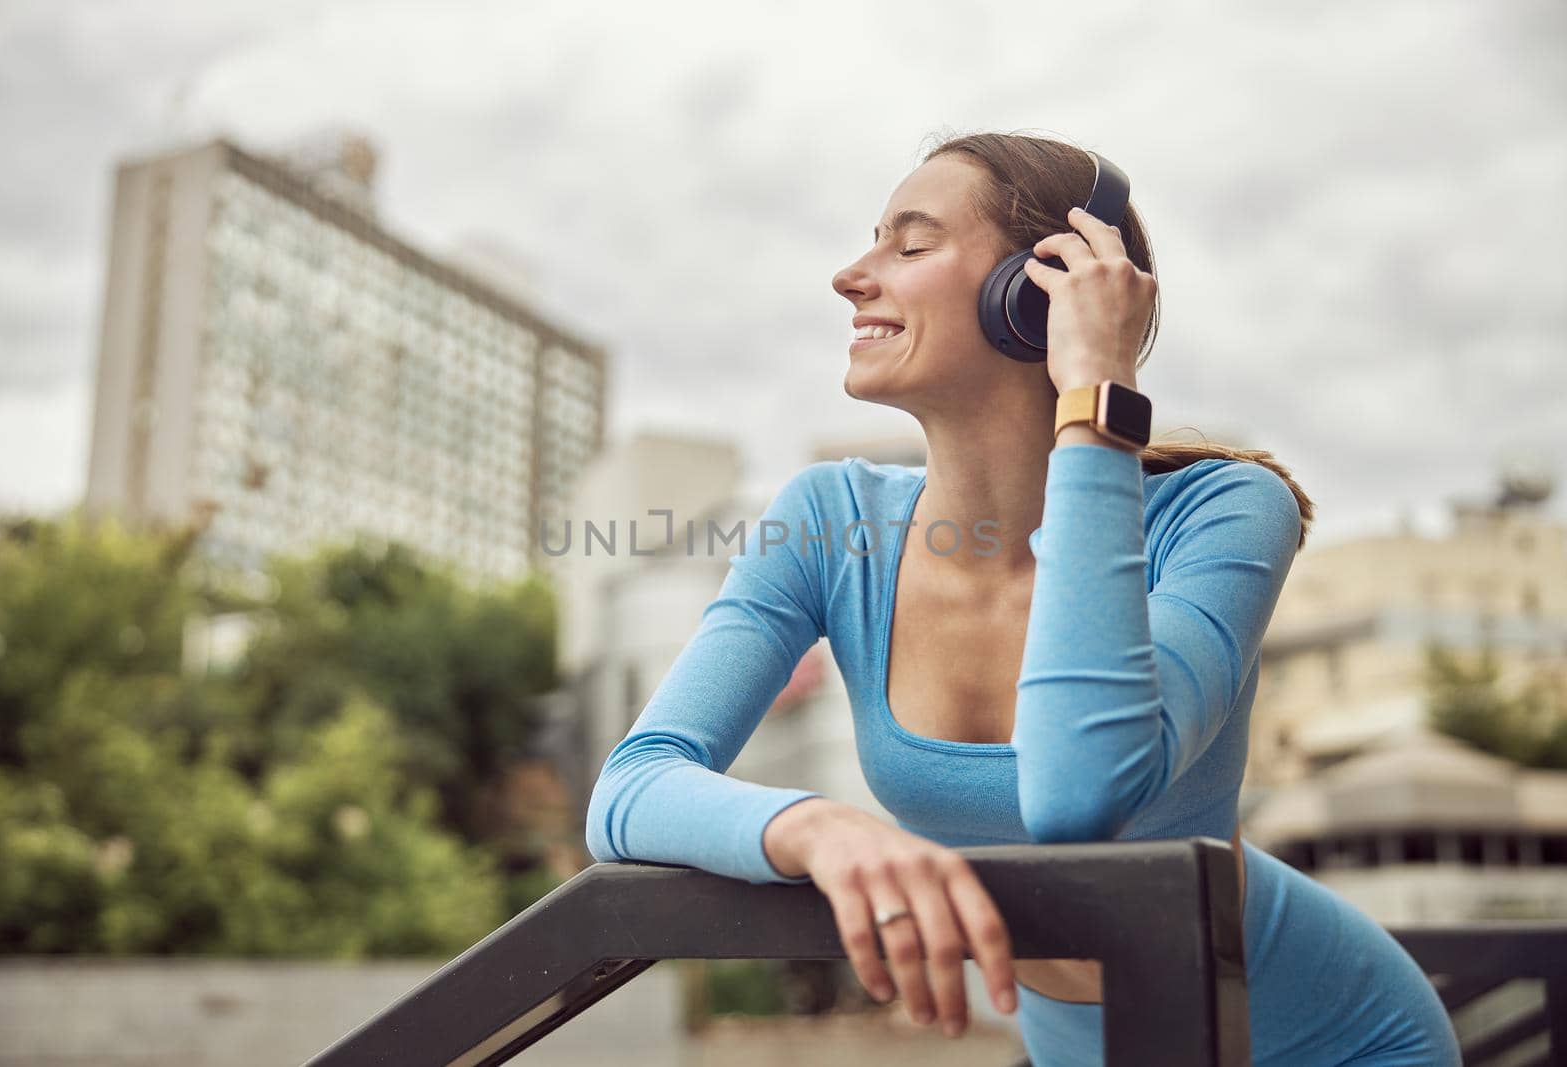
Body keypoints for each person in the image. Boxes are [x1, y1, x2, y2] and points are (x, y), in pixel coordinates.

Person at [584, 131, 1461, 1066]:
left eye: (909, 245)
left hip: (1331, 1039)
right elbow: (629, 789)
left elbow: (1082, 790)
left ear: (1036, 293)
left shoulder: (1225, 511)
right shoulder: (830, 520)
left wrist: (1096, 397)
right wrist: (815, 828)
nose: (851, 275)